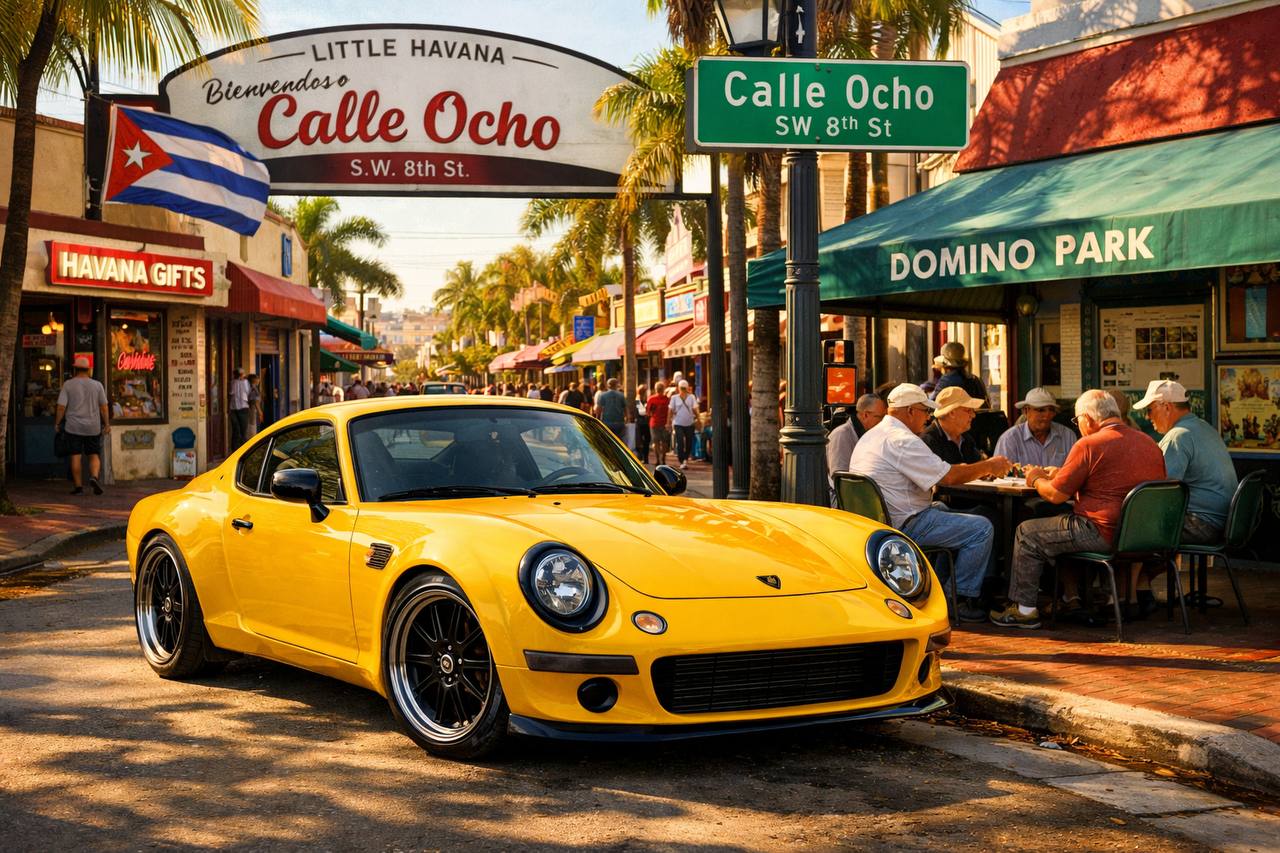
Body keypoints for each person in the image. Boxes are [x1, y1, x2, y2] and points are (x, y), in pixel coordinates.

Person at [991, 389, 1166, 629]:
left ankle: (1024, 610)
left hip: (1101, 532)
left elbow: (1054, 495)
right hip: (1143, 535)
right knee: (1058, 524)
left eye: (1077, 421)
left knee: (1027, 533)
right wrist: (1060, 474)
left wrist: (1035, 479)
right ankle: (1072, 598)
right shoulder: (1148, 442)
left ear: (1088, 419)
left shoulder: (1089, 444)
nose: (1078, 426)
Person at [848, 384, 1011, 622]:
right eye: (925, 411)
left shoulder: (872, 435)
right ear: (911, 411)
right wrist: (989, 465)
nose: (928, 417)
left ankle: (944, 591)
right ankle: (961, 598)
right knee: (981, 528)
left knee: (945, 510)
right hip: (902, 524)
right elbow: (949, 477)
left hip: (876, 523)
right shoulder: (902, 440)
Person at [54, 356, 110, 496]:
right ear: (89, 369)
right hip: (93, 427)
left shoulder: (68, 384)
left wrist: (57, 423)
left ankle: (78, 487)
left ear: (75, 369)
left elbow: (61, 407)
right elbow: (104, 407)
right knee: (94, 454)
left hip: (73, 427)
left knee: (75, 456)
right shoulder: (97, 385)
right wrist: (107, 424)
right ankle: (94, 477)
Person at [993, 388, 1077, 469]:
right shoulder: (1009, 439)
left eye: (1051, 410)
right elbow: (999, 476)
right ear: (1026, 411)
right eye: (1040, 410)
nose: (1047, 415)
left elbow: (1075, 472)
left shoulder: (1068, 436)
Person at [826, 393, 886, 483]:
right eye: (880, 417)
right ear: (865, 415)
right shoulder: (841, 435)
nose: (883, 422)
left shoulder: (868, 434)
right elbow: (841, 478)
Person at [921, 387, 984, 465]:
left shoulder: (966, 438)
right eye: (968, 410)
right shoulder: (927, 442)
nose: (973, 415)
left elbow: (977, 467)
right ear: (952, 413)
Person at [669, 379, 700, 470]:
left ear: (687, 388)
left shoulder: (692, 397)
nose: (682, 390)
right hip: (678, 423)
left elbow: (695, 409)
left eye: (684, 388)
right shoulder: (674, 398)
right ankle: (682, 460)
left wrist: (698, 419)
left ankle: (685, 458)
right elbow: (670, 410)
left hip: (689, 423)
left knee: (689, 442)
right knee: (680, 441)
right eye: (681, 388)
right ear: (678, 388)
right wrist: (668, 422)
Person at [647, 381, 671, 467]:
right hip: (665, 423)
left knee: (656, 442)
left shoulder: (651, 399)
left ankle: (658, 459)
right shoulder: (667, 399)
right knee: (664, 442)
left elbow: (648, 412)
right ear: (663, 389)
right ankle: (663, 459)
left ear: (655, 389)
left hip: (654, 423)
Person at [229, 368, 250, 450]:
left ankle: (242, 449)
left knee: (242, 431)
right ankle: (235, 449)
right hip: (235, 409)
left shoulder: (245, 382)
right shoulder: (233, 382)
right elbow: (231, 393)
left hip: (243, 408)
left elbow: (247, 392)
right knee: (236, 430)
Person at [634, 384, 652, 463]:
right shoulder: (638, 400)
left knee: (644, 441)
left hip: (643, 423)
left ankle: (644, 458)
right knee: (643, 441)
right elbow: (641, 412)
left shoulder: (644, 400)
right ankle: (643, 458)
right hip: (642, 423)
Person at [245, 374, 262, 438]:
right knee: (252, 426)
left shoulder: (248, 387)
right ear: (255, 380)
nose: (259, 381)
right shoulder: (254, 389)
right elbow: (255, 402)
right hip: (251, 409)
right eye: (258, 380)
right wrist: (260, 412)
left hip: (247, 409)